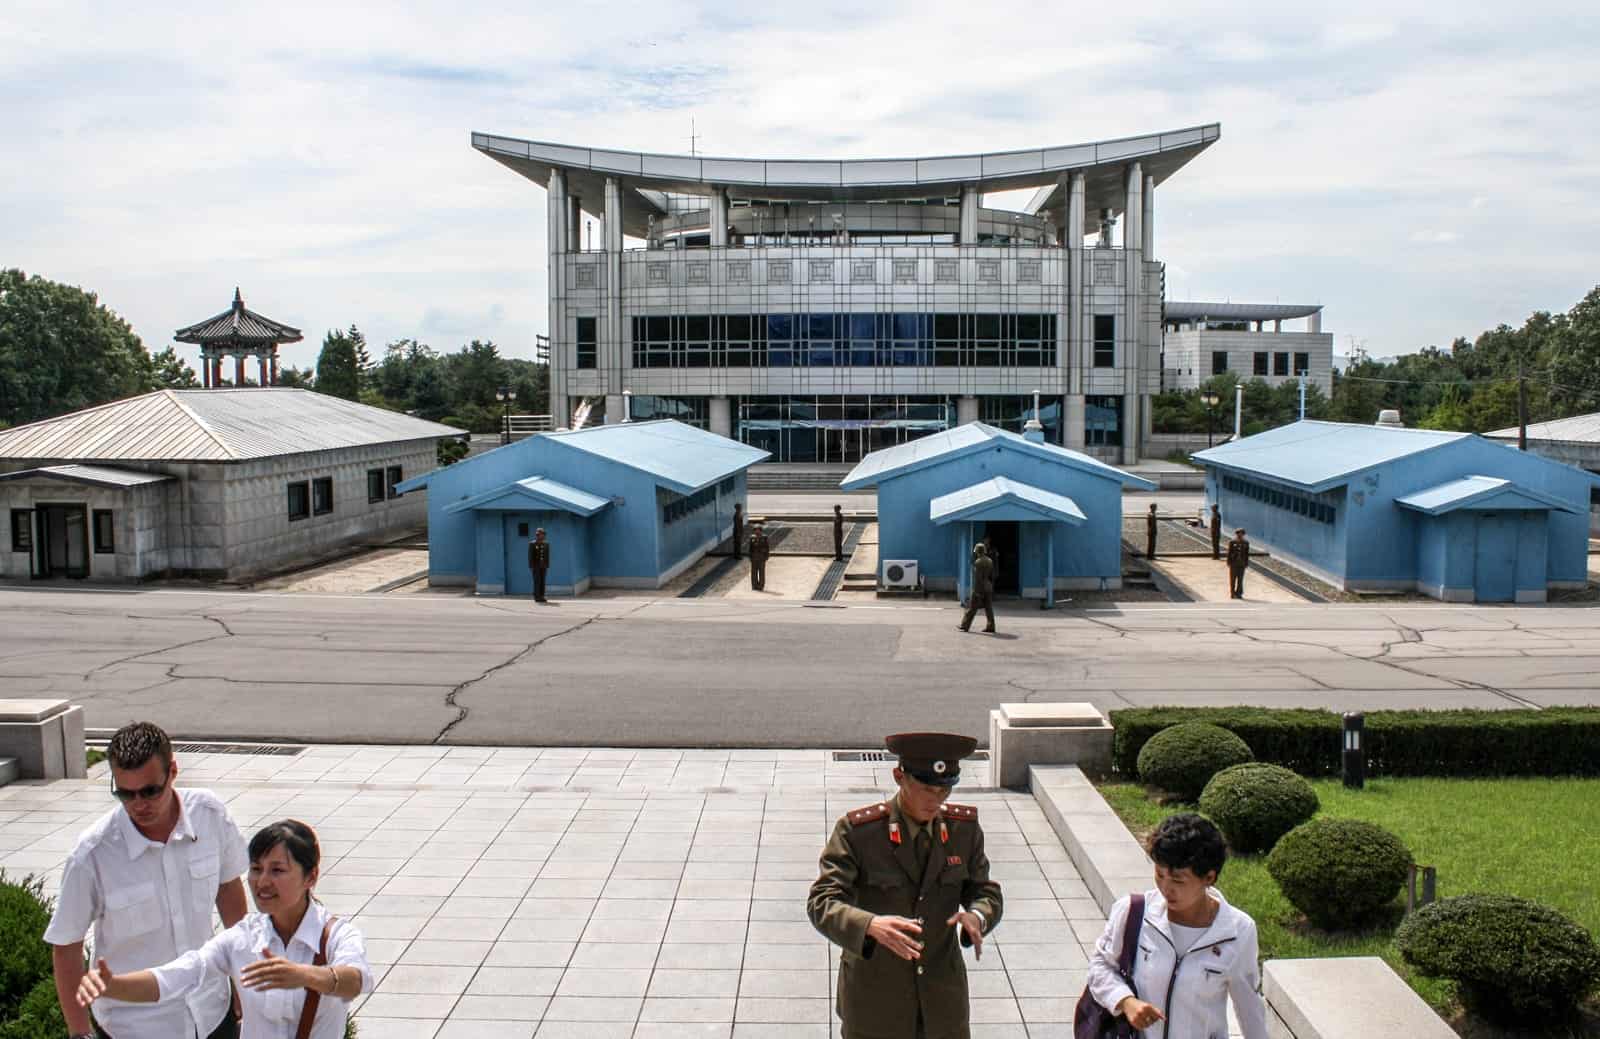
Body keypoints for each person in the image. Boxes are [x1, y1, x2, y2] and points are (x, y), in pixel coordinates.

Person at [77, 819, 373, 1039]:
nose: (262, 882)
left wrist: (303, 975)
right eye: (256, 869)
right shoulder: (242, 939)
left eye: (277, 870)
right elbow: (177, 976)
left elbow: (356, 980)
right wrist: (112, 986)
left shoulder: (336, 936)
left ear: (311, 877)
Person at [45, 721, 249, 1039]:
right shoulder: (92, 854)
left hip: (211, 1013)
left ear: (173, 772)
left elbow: (229, 892)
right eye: (124, 793)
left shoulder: (210, 814)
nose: (138, 804)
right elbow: (66, 946)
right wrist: (79, 1032)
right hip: (134, 1026)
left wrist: (242, 982)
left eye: (150, 791)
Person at [809, 732, 1003, 1039]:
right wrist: (870, 924)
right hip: (876, 1003)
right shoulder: (860, 833)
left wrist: (977, 916)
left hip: (942, 1004)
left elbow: (985, 891)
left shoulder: (962, 830)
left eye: (945, 789)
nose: (936, 799)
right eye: (926, 788)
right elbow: (822, 901)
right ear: (899, 776)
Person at [1086, 813, 1268, 1039]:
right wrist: (1125, 1001)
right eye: (1159, 875)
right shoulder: (1133, 912)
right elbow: (1100, 967)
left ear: (1209, 877)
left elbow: (1250, 1008)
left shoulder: (1238, 931)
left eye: (1178, 880)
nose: (1166, 887)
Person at [959, 543, 995, 634]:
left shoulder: (978, 562)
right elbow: (992, 575)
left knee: (972, 608)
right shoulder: (990, 561)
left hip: (980, 588)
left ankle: (965, 625)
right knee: (989, 608)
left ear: (978, 552)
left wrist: (977, 591)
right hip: (989, 587)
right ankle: (991, 626)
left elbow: (978, 578)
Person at [1226, 528, 1250, 599]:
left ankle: (1239, 593)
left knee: (1240, 579)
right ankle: (1232, 593)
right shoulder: (1232, 542)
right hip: (1233, 563)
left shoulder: (1246, 543)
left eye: (1242, 533)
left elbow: (1246, 554)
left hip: (1242, 563)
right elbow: (1229, 553)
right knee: (1232, 579)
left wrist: (1246, 563)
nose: (1240, 535)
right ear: (1236, 534)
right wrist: (1228, 562)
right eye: (1238, 533)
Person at [528, 527, 550, 602]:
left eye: (542, 534)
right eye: (539, 534)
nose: (541, 536)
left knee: (542, 581)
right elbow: (530, 556)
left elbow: (547, 555)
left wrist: (547, 565)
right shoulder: (532, 543)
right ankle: (537, 596)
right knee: (537, 581)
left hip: (543, 566)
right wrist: (531, 566)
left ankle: (542, 596)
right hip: (536, 566)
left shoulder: (546, 544)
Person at [748, 520, 770, 591]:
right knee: (754, 572)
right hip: (754, 557)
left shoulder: (764, 537)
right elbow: (750, 548)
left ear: (761, 530)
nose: (757, 531)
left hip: (761, 557)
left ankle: (761, 586)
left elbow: (767, 547)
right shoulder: (752, 538)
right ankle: (754, 585)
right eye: (755, 530)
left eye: (758, 530)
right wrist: (750, 556)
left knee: (761, 572)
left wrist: (766, 556)